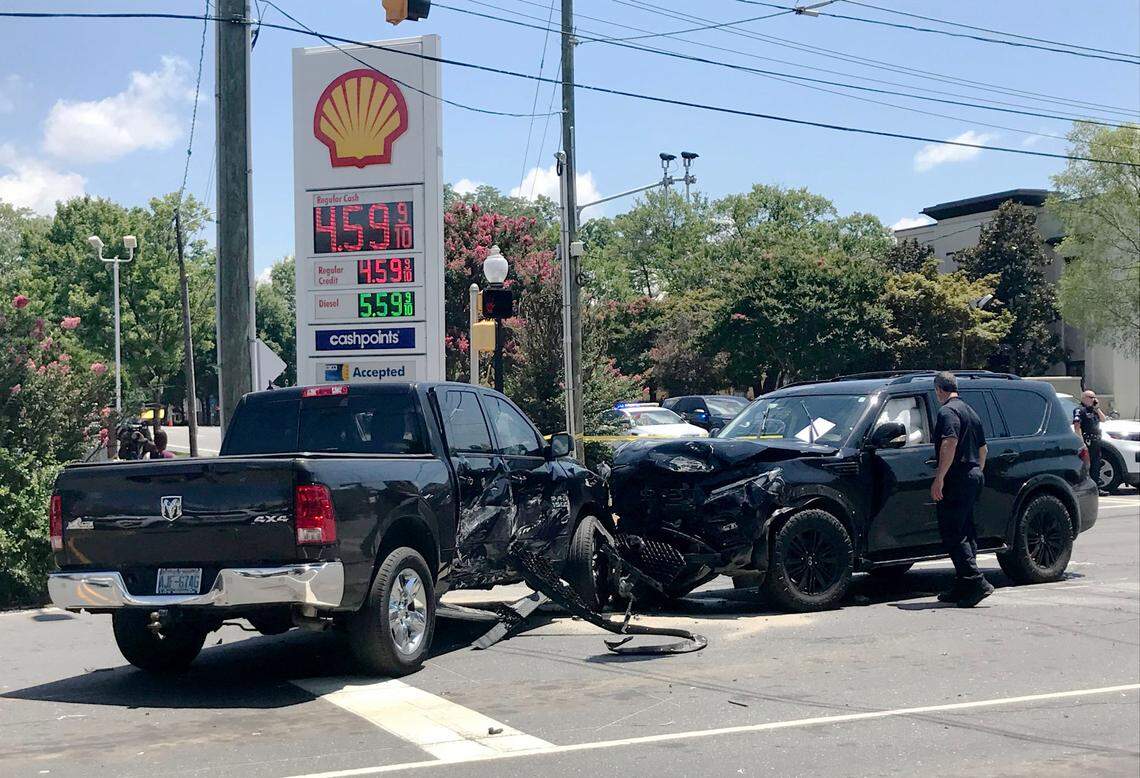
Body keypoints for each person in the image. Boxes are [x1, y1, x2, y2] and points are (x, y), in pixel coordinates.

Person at [930, 371, 993, 607]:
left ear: (939, 390)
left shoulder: (947, 411)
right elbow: (983, 449)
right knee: (966, 530)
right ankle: (963, 585)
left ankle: (976, 581)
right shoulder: (970, 411)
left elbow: (950, 442)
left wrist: (940, 478)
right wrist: (976, 472)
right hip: (973, 474)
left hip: (957, 477)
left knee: (953, 531)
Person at [1073, 389, 1107, 495]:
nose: (1094, 400)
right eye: (1092, 398)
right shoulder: (1080, 410)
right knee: (1086, 466)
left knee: (1096, 466)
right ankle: (1085, 490)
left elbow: (1103, 419)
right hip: (1087, 442)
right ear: (1084, 398)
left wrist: (1097, 408)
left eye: (1095, 398)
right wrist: (1081, 442)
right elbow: (1077, 427)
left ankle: (1096, 488)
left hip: (1096, 441)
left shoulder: (1094, 410)